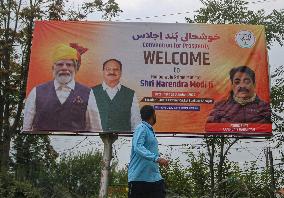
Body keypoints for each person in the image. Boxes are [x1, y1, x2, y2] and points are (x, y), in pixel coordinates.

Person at [23, 43, 102, 132]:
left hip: (76, 145)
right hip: (42, 145)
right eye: (60, 64)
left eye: (69, 65)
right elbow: (26, 128)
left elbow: (96, 129)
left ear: (75, 68)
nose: (64, 68)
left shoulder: (88, 93)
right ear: (53, 68)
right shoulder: (36, 92)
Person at [128, 105, 168, 198]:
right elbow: (138, 146)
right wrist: (157, 159)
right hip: (139, 179)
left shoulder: (150, 130)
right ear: (153, 115)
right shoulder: (141, 127)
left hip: (154, 178)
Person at [207, 66, 271, 123]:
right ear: (232, 86)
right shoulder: (219, 107)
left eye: (247, 82)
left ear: (254, 85)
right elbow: (211, 129)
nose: (242, 86)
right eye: (237, 82)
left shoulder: (265, 108)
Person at [92, 58, 141, 132]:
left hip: (123, 140)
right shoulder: (91, 92)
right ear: (103, 72)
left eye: (116, 69)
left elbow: (136, 122)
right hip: (96, 141)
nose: (112, 72)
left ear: (121, 72)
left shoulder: (130, 94)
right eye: (108, 69)